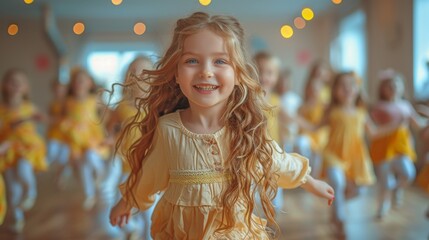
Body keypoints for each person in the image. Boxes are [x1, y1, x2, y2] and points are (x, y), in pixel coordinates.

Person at [110, 12, 334, 239]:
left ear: (238, 74)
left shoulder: (243, 129)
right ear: (176, 73)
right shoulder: (169, 129)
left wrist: (308, 180)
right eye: (191, 61)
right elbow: (150, 175)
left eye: (220, 61)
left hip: (232, 232)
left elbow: (275, 158)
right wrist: (127, 202)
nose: (206, 71)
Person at [294, 71, 402, 234]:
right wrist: (294, 118)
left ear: (357, 89)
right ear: (335, 90)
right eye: (342, 85)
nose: (347, 89)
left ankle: (338, 206)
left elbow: (373, 133)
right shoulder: (331, 111)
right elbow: (314, 127)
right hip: (333, 154)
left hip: (355, 157)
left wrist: (392, 127)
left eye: (351, 85)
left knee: (360, 190)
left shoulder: (361, 112)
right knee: (338, 182)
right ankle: (340, 222)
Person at [101, 56, 156, 239]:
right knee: (122, 207)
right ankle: (132, 229)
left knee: (149, 215)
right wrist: (110, 139)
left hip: (151, 170)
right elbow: (112, 130)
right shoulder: (122, 107)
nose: (139, 77)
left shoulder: (158, 107)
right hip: (127, 166)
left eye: (145, 73)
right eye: (133, 72)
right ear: (127, 77)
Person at [370, 69, 427, 219]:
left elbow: (418, 124)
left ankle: (396, 189)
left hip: (401, 148)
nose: (393, 88)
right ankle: (383, 206)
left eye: (396, 85)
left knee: (408, 173)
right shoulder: (379, 107)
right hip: (383, 149)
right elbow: (374, 128)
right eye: (389, 85)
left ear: (402, 87)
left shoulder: (406, 105)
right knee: (385, 181)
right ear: (383, 89)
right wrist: (393, 126)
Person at [0, 69, 48, 232]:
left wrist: (40, 118)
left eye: (20, 82)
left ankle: (30, 192)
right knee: (12, 189)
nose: (16, 85)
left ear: (26, 88)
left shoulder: (29, 107)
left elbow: (44, 118)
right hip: (7, 149)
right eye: (12, 81)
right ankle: (17, 218)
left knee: (23, 169)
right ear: (5, 86)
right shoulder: (1, 109)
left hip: (27, 146)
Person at [60, 67, 107, 210]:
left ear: (90, 84)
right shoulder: (68, 101)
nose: (79, 83)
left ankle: (100, 173)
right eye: (76, 81)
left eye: (82, 80)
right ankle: (89, 194)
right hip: (76, 139)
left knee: (91, 155)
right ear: (72, 85)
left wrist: (104, 127)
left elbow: (107, 112)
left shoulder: (94, 99)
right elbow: (62, 117)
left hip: (92, 137)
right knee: (82, 165)